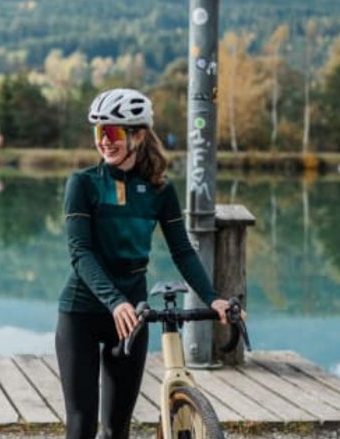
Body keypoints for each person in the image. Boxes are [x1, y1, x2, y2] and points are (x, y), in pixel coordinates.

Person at [56, 88, 235, 439]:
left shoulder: (159, 190)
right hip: (82, 312)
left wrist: (212, 297)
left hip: (133, 318)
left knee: (117, 428)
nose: (104, 142)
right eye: (99, 133)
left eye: (113, 133)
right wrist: (114, 300)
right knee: (81, 426)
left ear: (137, 135)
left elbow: (182, 251)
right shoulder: (83, 184)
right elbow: (81, 253)